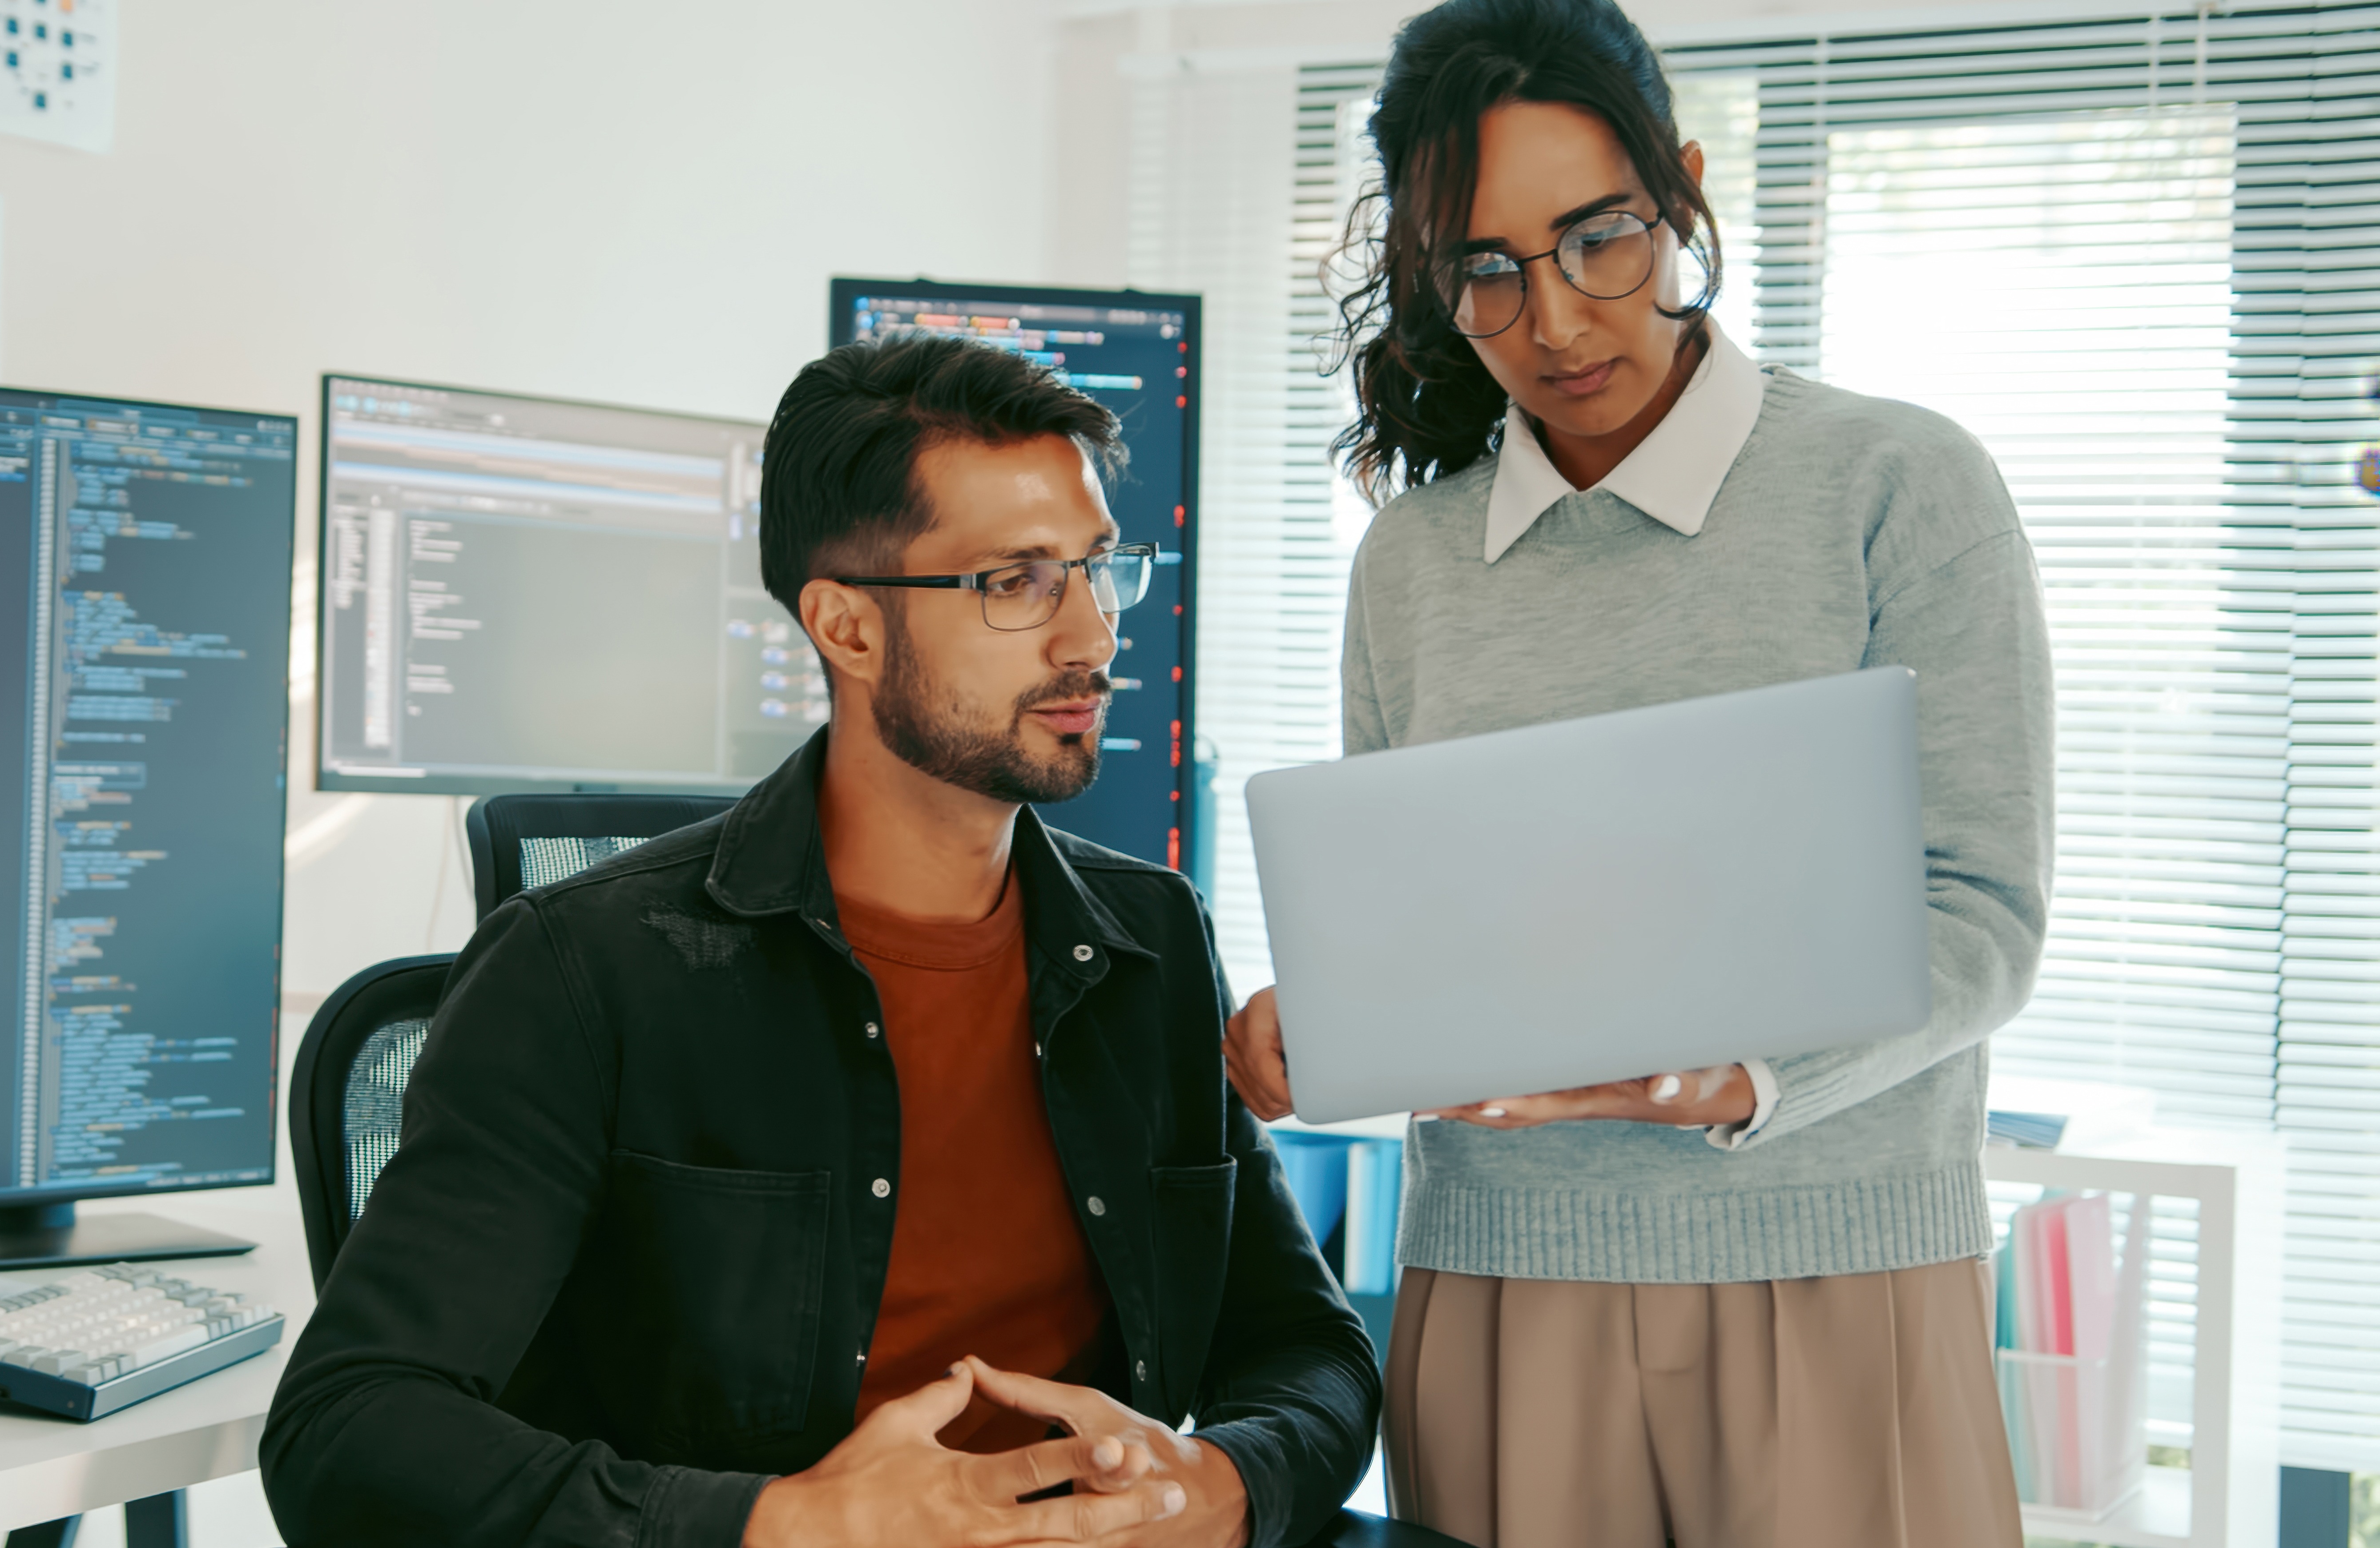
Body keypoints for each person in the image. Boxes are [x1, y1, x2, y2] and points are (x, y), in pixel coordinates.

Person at [263, 334, 1381, 1548]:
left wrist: (1223, 1487)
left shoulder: (1152, 941)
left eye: (1099, 569)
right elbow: (348, 1428)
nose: (1093, 638)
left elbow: (1307, 1348)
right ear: (846, 628)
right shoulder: (587, 971)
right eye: (1016, 582)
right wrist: (780, 1526)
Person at [1217, 0, 2054, 1544]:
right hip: (1504, 1293)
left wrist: (1742, 1078)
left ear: (1680, 190)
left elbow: (1984, 916)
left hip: (1837, 1279)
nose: (1555, 321)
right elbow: (1432, 942)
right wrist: (1316, 1030)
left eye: (1598, 239)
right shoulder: (1411, 562)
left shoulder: (1899, 485)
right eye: (1485, 270)